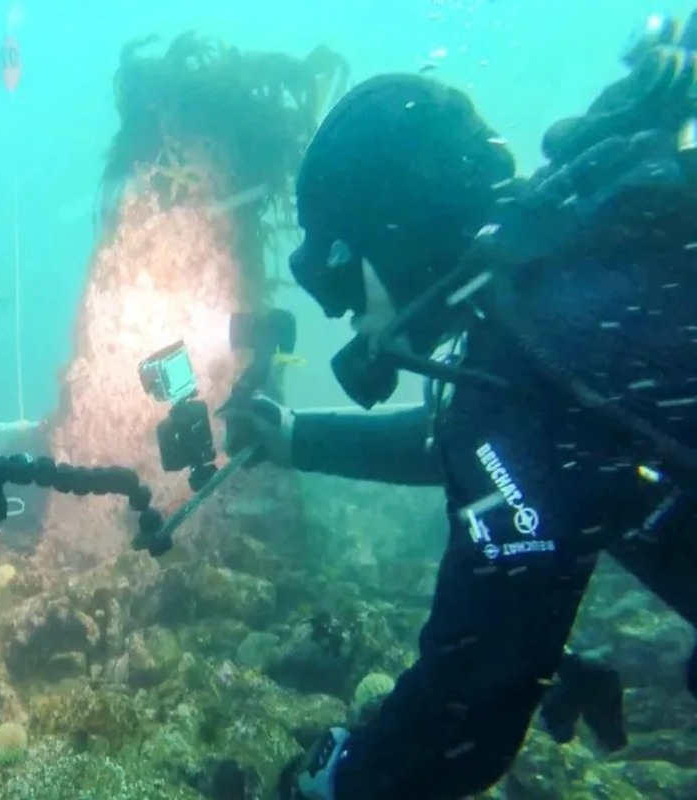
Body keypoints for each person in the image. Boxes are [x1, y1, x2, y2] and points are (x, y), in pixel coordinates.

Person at [221, 12, 697, 800]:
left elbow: (467, 706)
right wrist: (299, 438)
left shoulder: (531, 355)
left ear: (396, 237)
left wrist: (336, 783)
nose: (343, 312)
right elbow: (481, 446)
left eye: (341, 267)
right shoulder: (560, 285)